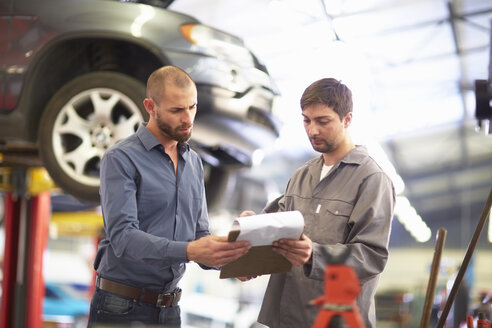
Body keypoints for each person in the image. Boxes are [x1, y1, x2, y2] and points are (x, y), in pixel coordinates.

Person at [87, 65, 251, 327]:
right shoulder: (121, 159)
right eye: (177, 110)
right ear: (150, 106)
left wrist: (231, 262)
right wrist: (189, 251)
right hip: (120, 306)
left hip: (170, 309)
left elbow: (199, 236)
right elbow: (123, 238)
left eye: (192, 107)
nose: (188, 118)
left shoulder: (194, 163)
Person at [240, 78, 396, 328]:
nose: (312, 130)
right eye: (306, 120)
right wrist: (250, 239)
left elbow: (372, 257)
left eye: (323, 121)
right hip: (287, 318)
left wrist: (316, 255)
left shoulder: (372, 180)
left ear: (347, 119)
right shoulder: (302, 175)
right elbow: (277, 234)